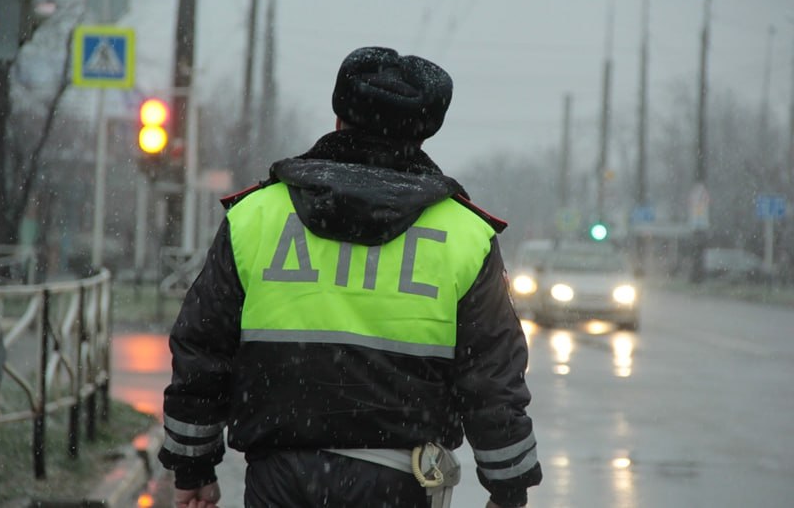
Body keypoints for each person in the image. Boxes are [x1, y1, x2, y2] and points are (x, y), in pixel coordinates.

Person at [158, 46, 542, 508]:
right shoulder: (464, 235)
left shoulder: (257, 215)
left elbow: (202, 350)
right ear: (422, 134)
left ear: (339, 117)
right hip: (400, 482)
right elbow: (492, 377)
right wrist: (508, 487)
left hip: (279, 478)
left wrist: (193, 466)